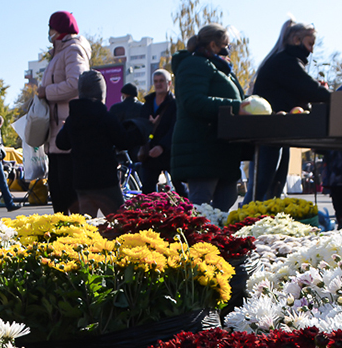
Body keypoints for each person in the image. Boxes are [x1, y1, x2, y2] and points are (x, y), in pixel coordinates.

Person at [242, 18, 331, 204]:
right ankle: (248, 217)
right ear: (297, 40)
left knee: (271, 186)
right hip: (270, 132)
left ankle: (258, 216)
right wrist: (335, 98)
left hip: (275, 132)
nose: (311, 50)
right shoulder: (286, 62)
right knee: (263, 187)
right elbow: (309, 89)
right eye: (310, 44)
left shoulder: (282, 60)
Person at [170, 23, 249, 212]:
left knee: (227, 200)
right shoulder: (194, 64)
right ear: (213, 45)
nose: (228, 50)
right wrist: (236, 107)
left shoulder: (219, 67)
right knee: (201, 204)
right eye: (226, 45)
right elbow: (193, 101)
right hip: (202, 148)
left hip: (221, 149)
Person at [56, 70, 140, 217]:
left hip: (82, 182)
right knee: (120, 221)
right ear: (101, 93)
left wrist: (66, 129)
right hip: (105, 181)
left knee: (87, 224)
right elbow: (124, 141)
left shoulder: (72, 119)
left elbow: (61, 143)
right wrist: (140, 129)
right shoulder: (106, 117)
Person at [37, 10, 91, 214]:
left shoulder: (73, 50)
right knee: (57, 190)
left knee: (67, 191)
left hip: (67, 132)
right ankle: (62, 230)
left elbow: (77, 83)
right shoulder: (59, 53)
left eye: (50, 27)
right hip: (55, 134)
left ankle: (75, 231)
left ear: (58, 29)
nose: (48, 32)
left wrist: (47, 92)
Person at [138, 69, 187, 197]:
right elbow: (140, 125)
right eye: (156, 81)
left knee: (181, 189)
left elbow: (176, 128)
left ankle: (189, 209)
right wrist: (149, 124)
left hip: (171, 153)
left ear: (169, 83)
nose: (158, 84)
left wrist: (162, 146)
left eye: (161, 81)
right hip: (150, 153)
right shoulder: (147, 104)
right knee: (148, 192)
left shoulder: (175, 104)